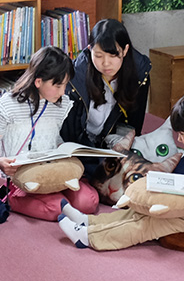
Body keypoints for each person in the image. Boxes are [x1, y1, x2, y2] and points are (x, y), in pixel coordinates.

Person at [57, 91, 184, 250]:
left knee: (156, 223)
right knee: (142, 209)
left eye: (182, 134)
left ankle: (90, 237)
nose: (179, 139)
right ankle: (89, 222)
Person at [0, 46, 99, 220]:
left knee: (88, 202)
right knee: (58, 208)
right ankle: (8, 197)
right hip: (21, 175)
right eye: (57, 85)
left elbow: (53, 136)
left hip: (51, 168)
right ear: (38, 81)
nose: (62, 91)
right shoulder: (7, 106)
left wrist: (63, 148)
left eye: (65, 85)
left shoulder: (62, 104)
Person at [65, 18, 152, 171]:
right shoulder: (75, 76)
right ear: (89, 49)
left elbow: (133, 124)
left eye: (113, 56)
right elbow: (72, 132)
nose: (106, 63)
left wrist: (121, 149)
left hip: (114, 144)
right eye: (98, 55)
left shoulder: (139, 74)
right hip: (82, 147)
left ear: (125, 50)